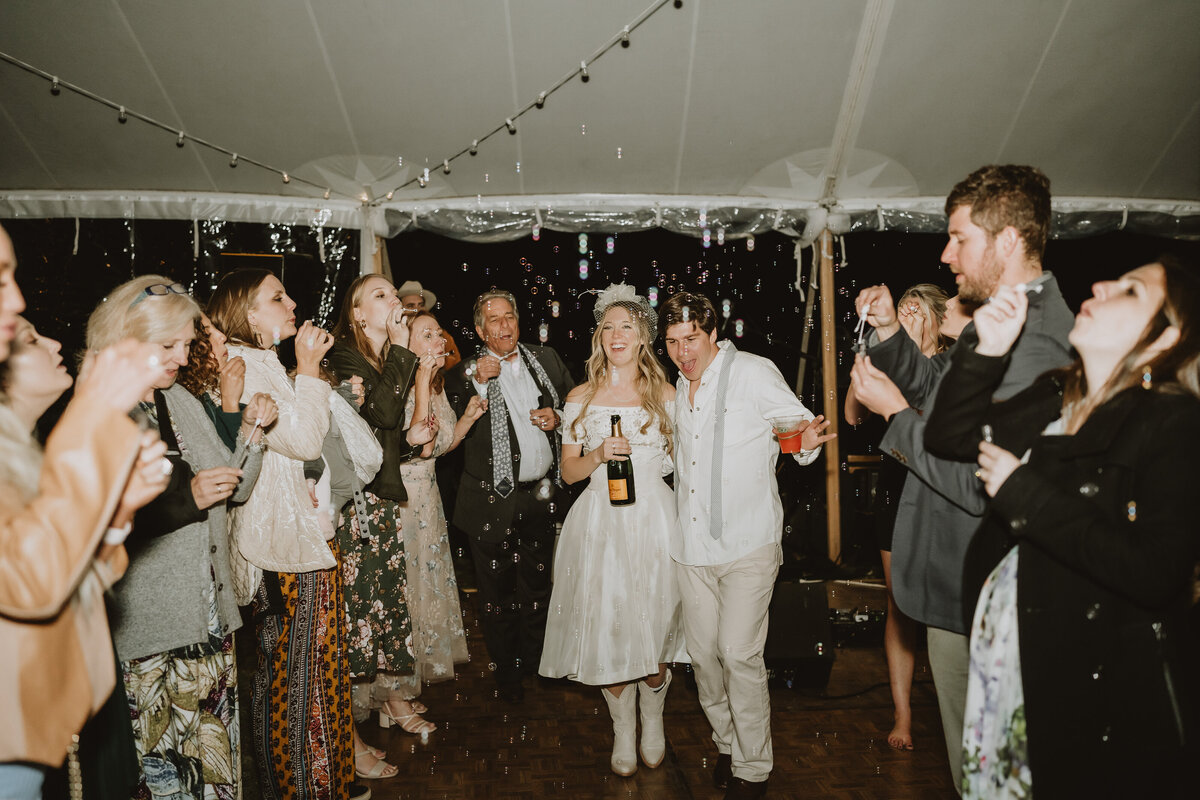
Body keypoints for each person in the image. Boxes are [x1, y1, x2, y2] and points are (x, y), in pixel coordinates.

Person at [924, 258, 1200, 797]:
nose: (1100, 283)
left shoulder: (1175, 422)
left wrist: (1024, 491)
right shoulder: (1060, 396)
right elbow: (951, 437)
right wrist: (989, 352)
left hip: (1095, 691)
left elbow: (1154, 571)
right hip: (1016, 665)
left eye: (1129, 291)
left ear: (1167, 339)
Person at [851, 165, 1074, 790]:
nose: (946, 254)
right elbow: (940, 394)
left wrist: (894, 416)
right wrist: (894, 333)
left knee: (988, 774)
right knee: (966, 767)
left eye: (959, 238)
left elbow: (980, 477)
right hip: (954, 586)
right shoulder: (1000, 318)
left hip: (980, 583)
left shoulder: (1038, 343)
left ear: (1006, 242)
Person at [84, 275, 274, 799]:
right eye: (169, 345)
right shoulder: (99, 412)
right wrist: (188, 496)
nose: (183, 356)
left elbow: (232, 489)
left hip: (208, 615)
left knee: (214, 767)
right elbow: (98, 519)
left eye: (187, 344)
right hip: (149, 628)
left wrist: (253, 437)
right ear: (126, 337)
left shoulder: (178, 400)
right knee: (164, 774)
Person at [0, 225, 170, 800]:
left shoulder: (15, 447)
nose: (19, 300)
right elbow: (29, 580)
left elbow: (69, 574)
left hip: (32, 717)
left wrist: (117, 515)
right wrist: (91, 413)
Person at [661, 291, 834, 800]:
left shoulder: (755, 372)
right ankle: (727, 742)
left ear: (713, 333)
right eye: (672, 341)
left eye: (691, 338)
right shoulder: (675, 388)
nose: (682, 351)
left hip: (748, 543)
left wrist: (800, 445)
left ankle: (754, 769)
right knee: (704, 658)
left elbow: (795, 429)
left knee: (739, 653)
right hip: (692, 548)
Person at [208, 268, 362, 800]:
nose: (293, 302)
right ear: (247, 315)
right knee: (295, 675)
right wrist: (310, 368)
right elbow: (301, 440)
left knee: (310, 668)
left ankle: (322, 779)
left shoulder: (262, 361)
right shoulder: (244, 365)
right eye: (277, 297)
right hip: (279, 543)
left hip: (296, 532)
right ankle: (301, 787)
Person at [539, 284, 687, 776]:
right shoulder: (580, 397)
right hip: (599, 522)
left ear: (643, 336)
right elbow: (568, 473)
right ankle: (622, 728)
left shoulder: (667, 394)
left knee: (657, 622)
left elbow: (688, 462)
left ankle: (654, 716)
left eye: (627, 326)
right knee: (609, 626)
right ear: (599, 336)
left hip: (655, 522)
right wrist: (598, 454)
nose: (617, 335)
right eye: (609, 327)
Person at [326, 273, 438, 780]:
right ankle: (343, 743)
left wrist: (412, 440)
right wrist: (400, 349)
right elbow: (384, 410)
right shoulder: (346, 360)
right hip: (355, 513)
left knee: (374, 622)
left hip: (380, 506)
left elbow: (382, 431)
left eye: (394, 294)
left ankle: (356, 734)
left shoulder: (376, 360)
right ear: (357, 313)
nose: (393, 301)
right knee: (352, 628)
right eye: (381, 295)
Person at [445, 288, 574, 704]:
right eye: (494, 320)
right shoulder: (464, 372)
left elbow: (576, 404)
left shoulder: (547, 358)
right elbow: (451, 417)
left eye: (509, 317)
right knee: (497, 594)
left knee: (538, 587)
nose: (504, 325)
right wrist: (479, 380)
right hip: (488, 500)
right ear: (481, 330)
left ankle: (538, 665)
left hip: (539, 496)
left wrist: (559, 417)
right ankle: (508, 676)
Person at [845, 283, 954, 751]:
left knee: (948, 596)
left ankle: (955, 683)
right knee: (900, 602)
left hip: (942, 483)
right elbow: (852, 416)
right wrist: (866, 366)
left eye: (915, 308)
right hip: (897, 483)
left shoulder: (951, 367)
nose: (905, 313)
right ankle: (903, 714)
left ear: (936, 319)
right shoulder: (886, 357)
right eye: (901, 306)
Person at [396, 279, 461, 371]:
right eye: (411, 306)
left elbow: (456, 368)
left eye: (421, 305)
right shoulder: (393, 342)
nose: (417, 310)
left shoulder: (445, 338)